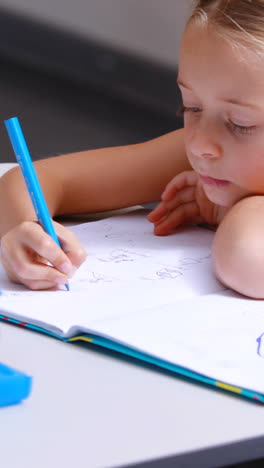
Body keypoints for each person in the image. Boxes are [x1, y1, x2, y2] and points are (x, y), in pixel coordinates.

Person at [1, 0, 264, 298]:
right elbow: (29, 180)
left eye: (240, 123)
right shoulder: (197, 155)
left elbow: (248, 259)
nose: (200, 144)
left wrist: (231, 211)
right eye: (192, 107)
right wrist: (25, 233)